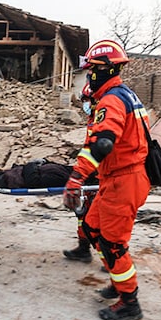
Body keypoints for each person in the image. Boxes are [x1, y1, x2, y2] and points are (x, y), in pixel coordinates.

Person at [63, 39, 151, 320]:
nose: (89, 75)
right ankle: (117, 277)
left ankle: (129, 302)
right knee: (91, 227)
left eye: (92, 71)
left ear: (105, 70)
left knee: (113, 243)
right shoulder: (126, 96)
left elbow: (102, 144)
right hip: (119, 178)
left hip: (124, 180)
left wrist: (76, 178)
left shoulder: (112, 99)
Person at [62, 82, 96, 263]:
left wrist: (78, 177)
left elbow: (98, 150)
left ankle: (111, 259)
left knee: (96, 219)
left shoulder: (102, 121)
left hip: (99, 176)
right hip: (91, 174)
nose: (86, 105)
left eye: (87, 101)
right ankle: (83, 249)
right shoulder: (93, 121)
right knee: (82, 214)